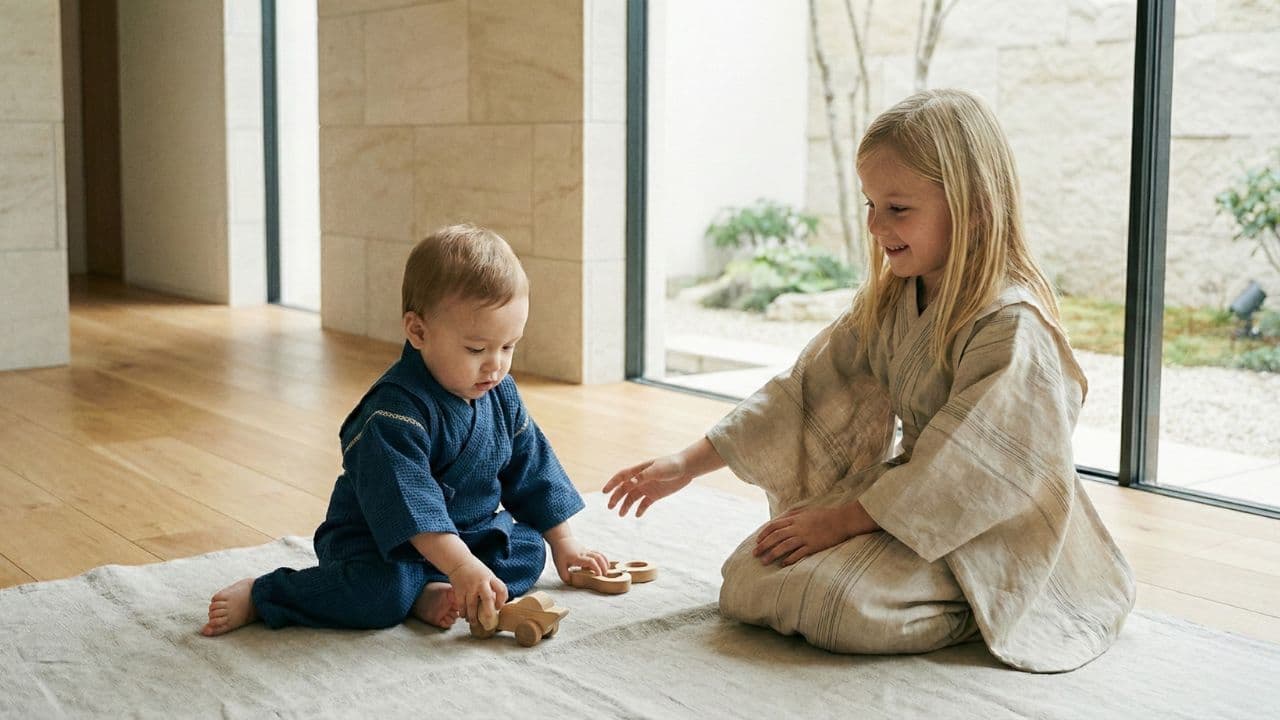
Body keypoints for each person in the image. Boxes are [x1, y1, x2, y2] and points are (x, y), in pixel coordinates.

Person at [603, 89, 1134, 673]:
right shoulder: (894, 300)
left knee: (839, 603)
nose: (877, 225)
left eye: (898, 208)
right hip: (899, 502)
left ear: (974, 205)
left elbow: (969, 471)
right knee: (750, 578)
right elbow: (802, 392)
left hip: (996, 529)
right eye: (870, 204)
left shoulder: (1013, 324)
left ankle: (988, 603)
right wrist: (686, 464)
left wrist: (839, 522)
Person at [202, 224, 608, 637]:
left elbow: (532, 468)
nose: (495, 365)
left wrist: (564, 544)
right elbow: (412, 504)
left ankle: (435, 589)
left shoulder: (500, 393)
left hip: (468, 538)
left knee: (526, 549)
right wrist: (462, 566)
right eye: (476, 349)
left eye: (509, 347)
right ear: (418, 331)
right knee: (379, 594)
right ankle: (267, 594)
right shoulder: (393, 414)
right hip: (381, 545)